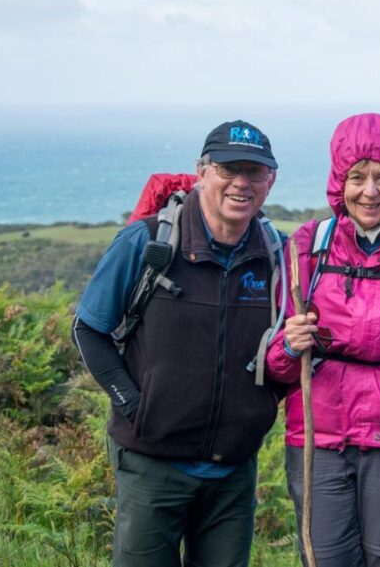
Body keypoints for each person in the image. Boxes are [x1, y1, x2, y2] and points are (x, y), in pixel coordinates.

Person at [72, 119, 284, 567]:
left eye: (254, 172)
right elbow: (88, 328)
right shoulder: (148, 241)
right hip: (153, 464)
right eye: (228, 170)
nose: (241, 183)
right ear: (201, 172)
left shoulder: (278, 255)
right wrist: (133, 404)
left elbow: (291, 344)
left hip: (233, 470)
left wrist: (262, 404)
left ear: (271, 180)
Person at [265, 113, 380, 567]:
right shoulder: (307, 246)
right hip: (317, 434)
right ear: (338, 181)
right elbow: (277, 364)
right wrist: (288, 345)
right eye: (357, 177)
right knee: (325, 560)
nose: (370, 191)